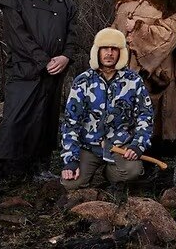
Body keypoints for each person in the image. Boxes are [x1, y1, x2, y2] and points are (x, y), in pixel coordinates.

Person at [0, 0, 77, 197]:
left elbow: (72, 30)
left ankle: (39, 168)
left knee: (46, 120)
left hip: (56, 70)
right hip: (25, 70)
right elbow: (17, 36)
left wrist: (65, 56)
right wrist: (44, 60)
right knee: (14, 120)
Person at [113, 0, 176, 150]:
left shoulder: (168, 1)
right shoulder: (125, 0)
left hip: (156, 67)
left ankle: (156, 152)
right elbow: (114, 30)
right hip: (125, 65)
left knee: (155, 114)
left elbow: (170, 35)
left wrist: (139, 28)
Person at [60, 28, 153, 189]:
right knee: (71, 183)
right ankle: (90, 169)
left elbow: (145, 115)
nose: (109, 53)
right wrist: (70, 160)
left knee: (132, 172)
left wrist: (138, 144)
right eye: (105, 48)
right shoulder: (83, 81)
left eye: (114, 49)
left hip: (119, 147)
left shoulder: (133, 80)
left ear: (120, 53)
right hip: (88, 146)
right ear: (97, 51)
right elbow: (70, 123)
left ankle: (109, 173)